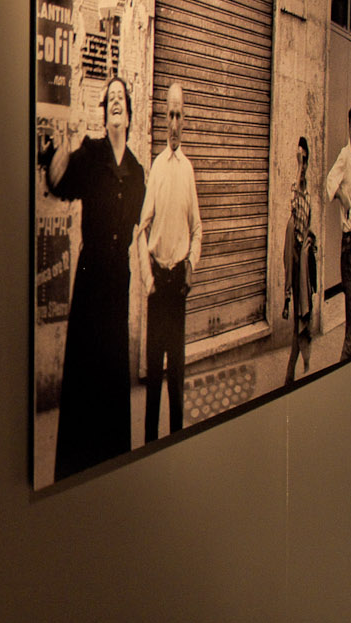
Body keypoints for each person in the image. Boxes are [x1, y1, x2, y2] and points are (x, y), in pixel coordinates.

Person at [40, 77, 147, 481]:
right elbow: (59, 184)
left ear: (129, 112)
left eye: (121, 98)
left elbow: (139, 230)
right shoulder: (91, 152)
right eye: (111, 99)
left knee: (112, 374)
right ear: (105, 113)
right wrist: (62, 148)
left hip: (118, 281)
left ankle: (110, 469)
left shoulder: (137, 171)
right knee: (86, 375)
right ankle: (74, 470)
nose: (116, 103)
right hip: (90, 282)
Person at [135, 82, 202, 441]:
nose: (174, 123)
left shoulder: (188, 170)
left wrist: (191, 265)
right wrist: (148, 278)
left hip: (177, 286)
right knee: (154, 377)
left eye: (180, 116)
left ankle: (176, 442)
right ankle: (149, 445)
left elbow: (198, 229)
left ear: (185, 121)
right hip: (158, 285)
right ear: (164, 119)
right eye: (170, 115)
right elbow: (140, 229)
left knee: (176, 371)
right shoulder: (157, 168)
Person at [324, 101, 351, 360]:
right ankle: (348, 349)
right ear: (348, 127)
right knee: (350, 297)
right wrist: (342, 198)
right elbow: (328, 182)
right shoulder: (345, 155)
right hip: (347, 241)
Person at [286, 138, 317, 384]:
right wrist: (297, 171)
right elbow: (293, 211)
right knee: (300, 317)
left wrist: (309, 242)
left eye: (304, 159)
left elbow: (307, 222)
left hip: (304, 262)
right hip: (295, 259)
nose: (302, 164)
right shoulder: (295, 188)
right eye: (299, 158)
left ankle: (293, 372)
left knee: (302, 317)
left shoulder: (309, 192)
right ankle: (293, 371)